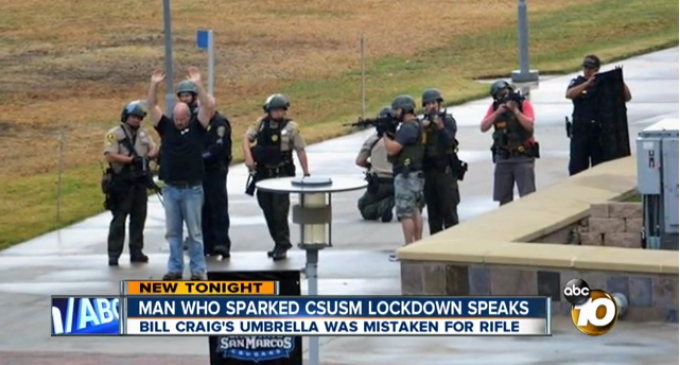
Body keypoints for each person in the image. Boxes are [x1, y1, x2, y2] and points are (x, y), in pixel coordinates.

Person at [147, 67, 214, 281]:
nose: (179, 122)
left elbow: (208, 106)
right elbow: (150, 106)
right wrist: (154, 84)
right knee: (173, 233)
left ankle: (198, 270)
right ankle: (175, 269)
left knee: (195, 233)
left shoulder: (197, 127)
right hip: (171, 189)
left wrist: (198, 84)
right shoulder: (166, 127)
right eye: (176, 118)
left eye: (182, 119)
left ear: (188, 116)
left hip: (192, 189)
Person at [242, 94, 310, 261]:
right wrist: (249, 158)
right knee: (267, 209)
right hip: (264, 174)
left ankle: (282, 244)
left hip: (282, 174)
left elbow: (300, 149)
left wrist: (306, 172)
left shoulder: (292, 127)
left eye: (281, 110)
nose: (278, 113)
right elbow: (246, 138)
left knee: (280, 211)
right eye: (275, 110)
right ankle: (277, 242)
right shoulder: (260, 124)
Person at [103, 100, 158, 266]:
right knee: (118, 220)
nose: (136, 120)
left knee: (139, 219)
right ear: (126, 116)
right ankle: (114, 254)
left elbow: (154, 148)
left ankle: (136, 251)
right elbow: (110, 155)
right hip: (121, 182)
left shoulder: (143, 133)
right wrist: (130, 160)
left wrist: (147, 158)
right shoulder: (114, 133)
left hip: (139, 182)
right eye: (134, 117)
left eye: (139, 118)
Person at [565, 54, 632, 175]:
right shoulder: (577, 82)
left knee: (599, 168)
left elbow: (627, 97)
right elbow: (569, 94)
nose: (587, 71)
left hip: (597, 132)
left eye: (590, 68)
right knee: (577, 168)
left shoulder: (603, 83)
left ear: (596, 69)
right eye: (585, 68)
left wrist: (619, 80)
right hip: (580, 131)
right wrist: (587, 84)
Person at [480, 80, 538, 206]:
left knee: (528, 196)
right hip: (503, 157)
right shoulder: (495, 107)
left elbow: (529, 125)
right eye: (500, 95)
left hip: (523, 156)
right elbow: (483, 127)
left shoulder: (523, 104)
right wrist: (497, 113)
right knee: (504, 198)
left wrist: (516, 111)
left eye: (506, 93)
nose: (504, 97)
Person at [383, 95, 425, 261]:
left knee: (405, 213)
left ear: (404, 109)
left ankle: (408, 247)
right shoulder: (418, 125)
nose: (394, 113)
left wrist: (385, 135)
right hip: (416, 173)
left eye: (396, 109)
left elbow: (393, 149)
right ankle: (417, 245)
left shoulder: (407, 128)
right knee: (415, 210)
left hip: (407, 175)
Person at [420, 88, 460, 235]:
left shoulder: (448, 121)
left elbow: (449, 142)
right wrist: (423, 130)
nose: (432, 106)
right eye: (429, 103)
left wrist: (441, 127)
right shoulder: (422, 125)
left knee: (449, 212)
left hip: (445, 172)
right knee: (433, 214)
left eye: (435, 103)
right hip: (429, 173)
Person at [201, 96, 233, 259]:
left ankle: (222, 243)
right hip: (201, 172)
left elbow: (218, 148)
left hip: (215, 171)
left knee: (218, 207)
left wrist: (200, 157)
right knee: (203, 208)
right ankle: (207, 243)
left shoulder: (220, 124)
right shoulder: (199, 123)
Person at [356, 107, 395, 222]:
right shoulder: (400, 140)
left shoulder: (372, 140)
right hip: (396, 182)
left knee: (363, 206)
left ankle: (382, 206)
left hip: (378, 183)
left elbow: (359, 161)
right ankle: (392, 200)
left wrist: (371, 165)